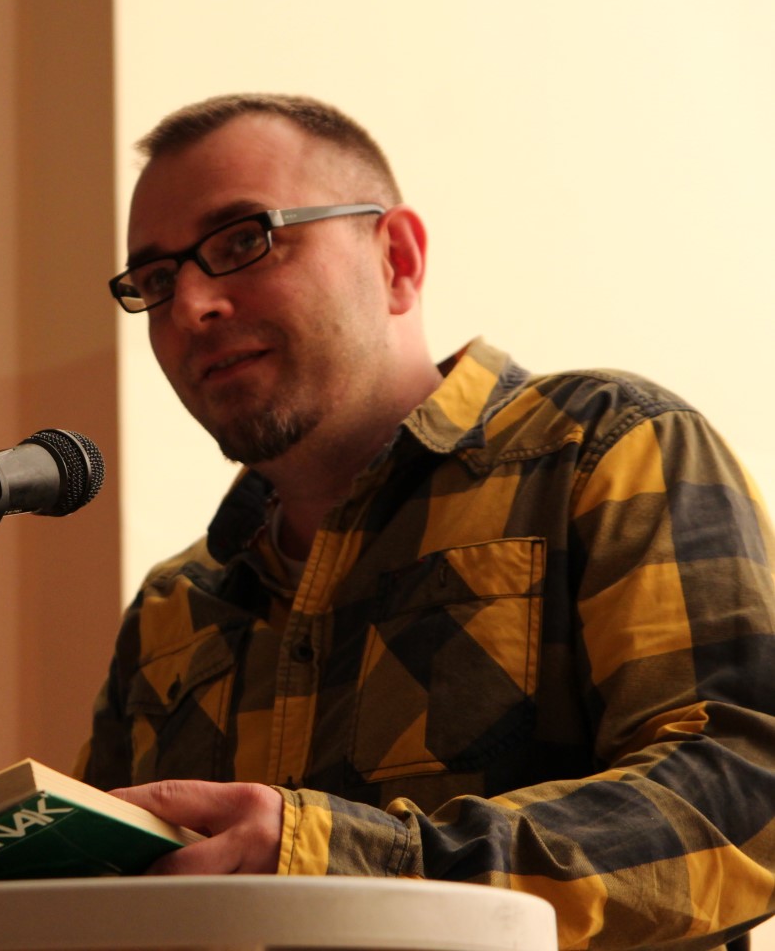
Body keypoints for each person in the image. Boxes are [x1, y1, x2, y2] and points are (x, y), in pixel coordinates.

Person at [81, 94, 775, 950]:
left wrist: (348, 864)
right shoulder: (171, 608)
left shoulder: (604, 449)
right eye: (156, 281)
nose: (190, 306)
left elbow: (746, 792)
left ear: (397, 259)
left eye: (241, 242)